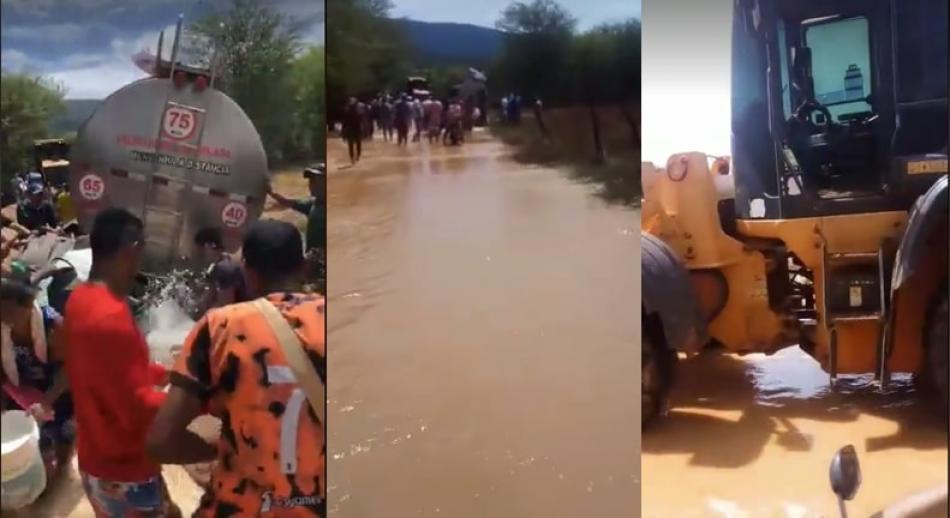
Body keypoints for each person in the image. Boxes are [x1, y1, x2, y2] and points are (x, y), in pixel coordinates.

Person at [147, 219, 325, 517]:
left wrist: (222, 451)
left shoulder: (220, 326)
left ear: (249, 273)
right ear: (304, 267)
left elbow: (160, 442)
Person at [61, 208, 180, 517]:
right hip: (125, 471)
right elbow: (137, 407)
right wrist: (197, 403)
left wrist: (166, 373)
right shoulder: (110, 317)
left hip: (95, 458)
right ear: (133, 249)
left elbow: (107, 369)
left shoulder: (81, 298)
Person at [0, 278, 74, 477]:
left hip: (57, 391)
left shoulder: (52, 325)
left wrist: (46, 401)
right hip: (22, 390)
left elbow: (71, 367)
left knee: (62, 433)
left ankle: (62, 469)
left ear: (26, 306)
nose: (5, 317)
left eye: (9, 310)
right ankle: (43, 463)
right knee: (31, 439)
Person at [193, 227, 246, 313]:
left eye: (200, 252)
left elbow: (225, 306)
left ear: (208, 246)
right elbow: (208, 298)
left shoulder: (224, 268)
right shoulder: (217, 267)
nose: (200, 256)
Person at [341, 97, 363, 164]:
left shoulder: (347, 110)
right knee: (357, 143)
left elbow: (344, 122)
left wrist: (343, 130)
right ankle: (356, 156)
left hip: (352, 129)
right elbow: (361, 120)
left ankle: (353, 157)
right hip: (355, 129)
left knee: (352, 144)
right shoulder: (358, 110)